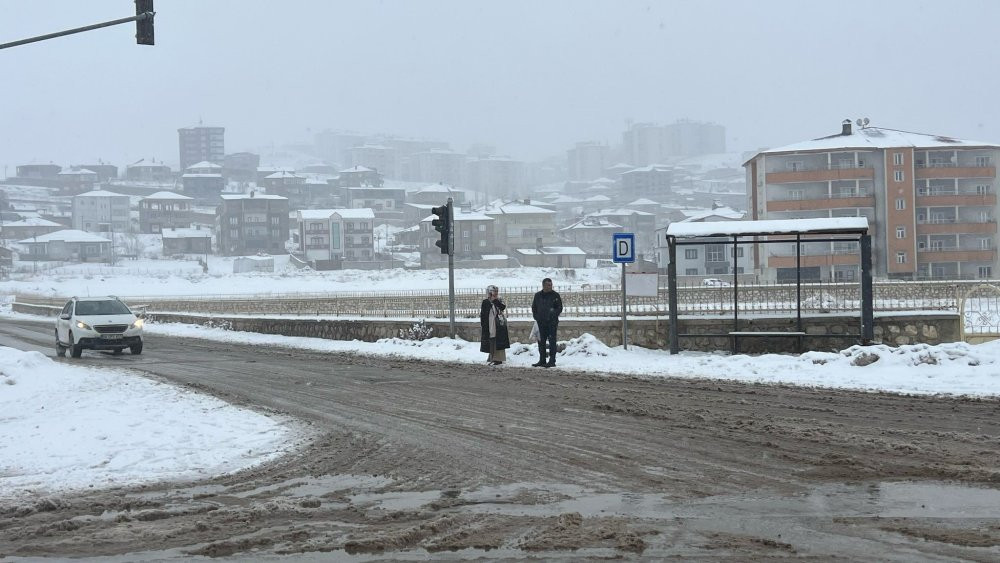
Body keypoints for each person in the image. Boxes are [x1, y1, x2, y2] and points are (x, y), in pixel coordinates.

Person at [531, 277, 562, 367]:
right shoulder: (538, 295)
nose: (550, 286)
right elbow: (534, 307)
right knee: (541, 342)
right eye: (548, 285)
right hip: (541, 323)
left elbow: (559, 308)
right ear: (543, 285)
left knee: (552, 342)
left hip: (551, 323)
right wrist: (536, 317)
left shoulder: (555, 295)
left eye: (551, 285)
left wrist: (552, 315)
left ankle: (552, 361)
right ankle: (542, 360)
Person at [480, 285, 509, 365]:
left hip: (498, 324)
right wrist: (483, 325)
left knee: (498, 340)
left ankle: (498, 358)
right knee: (491, 339)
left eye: (496, 291)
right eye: (494, 291)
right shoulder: (486, 302)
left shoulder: (499, 300)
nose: (495, 293)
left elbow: (502, 307)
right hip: (489, 323)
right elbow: (483, 314)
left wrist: (495, 300)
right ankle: (492, 357)